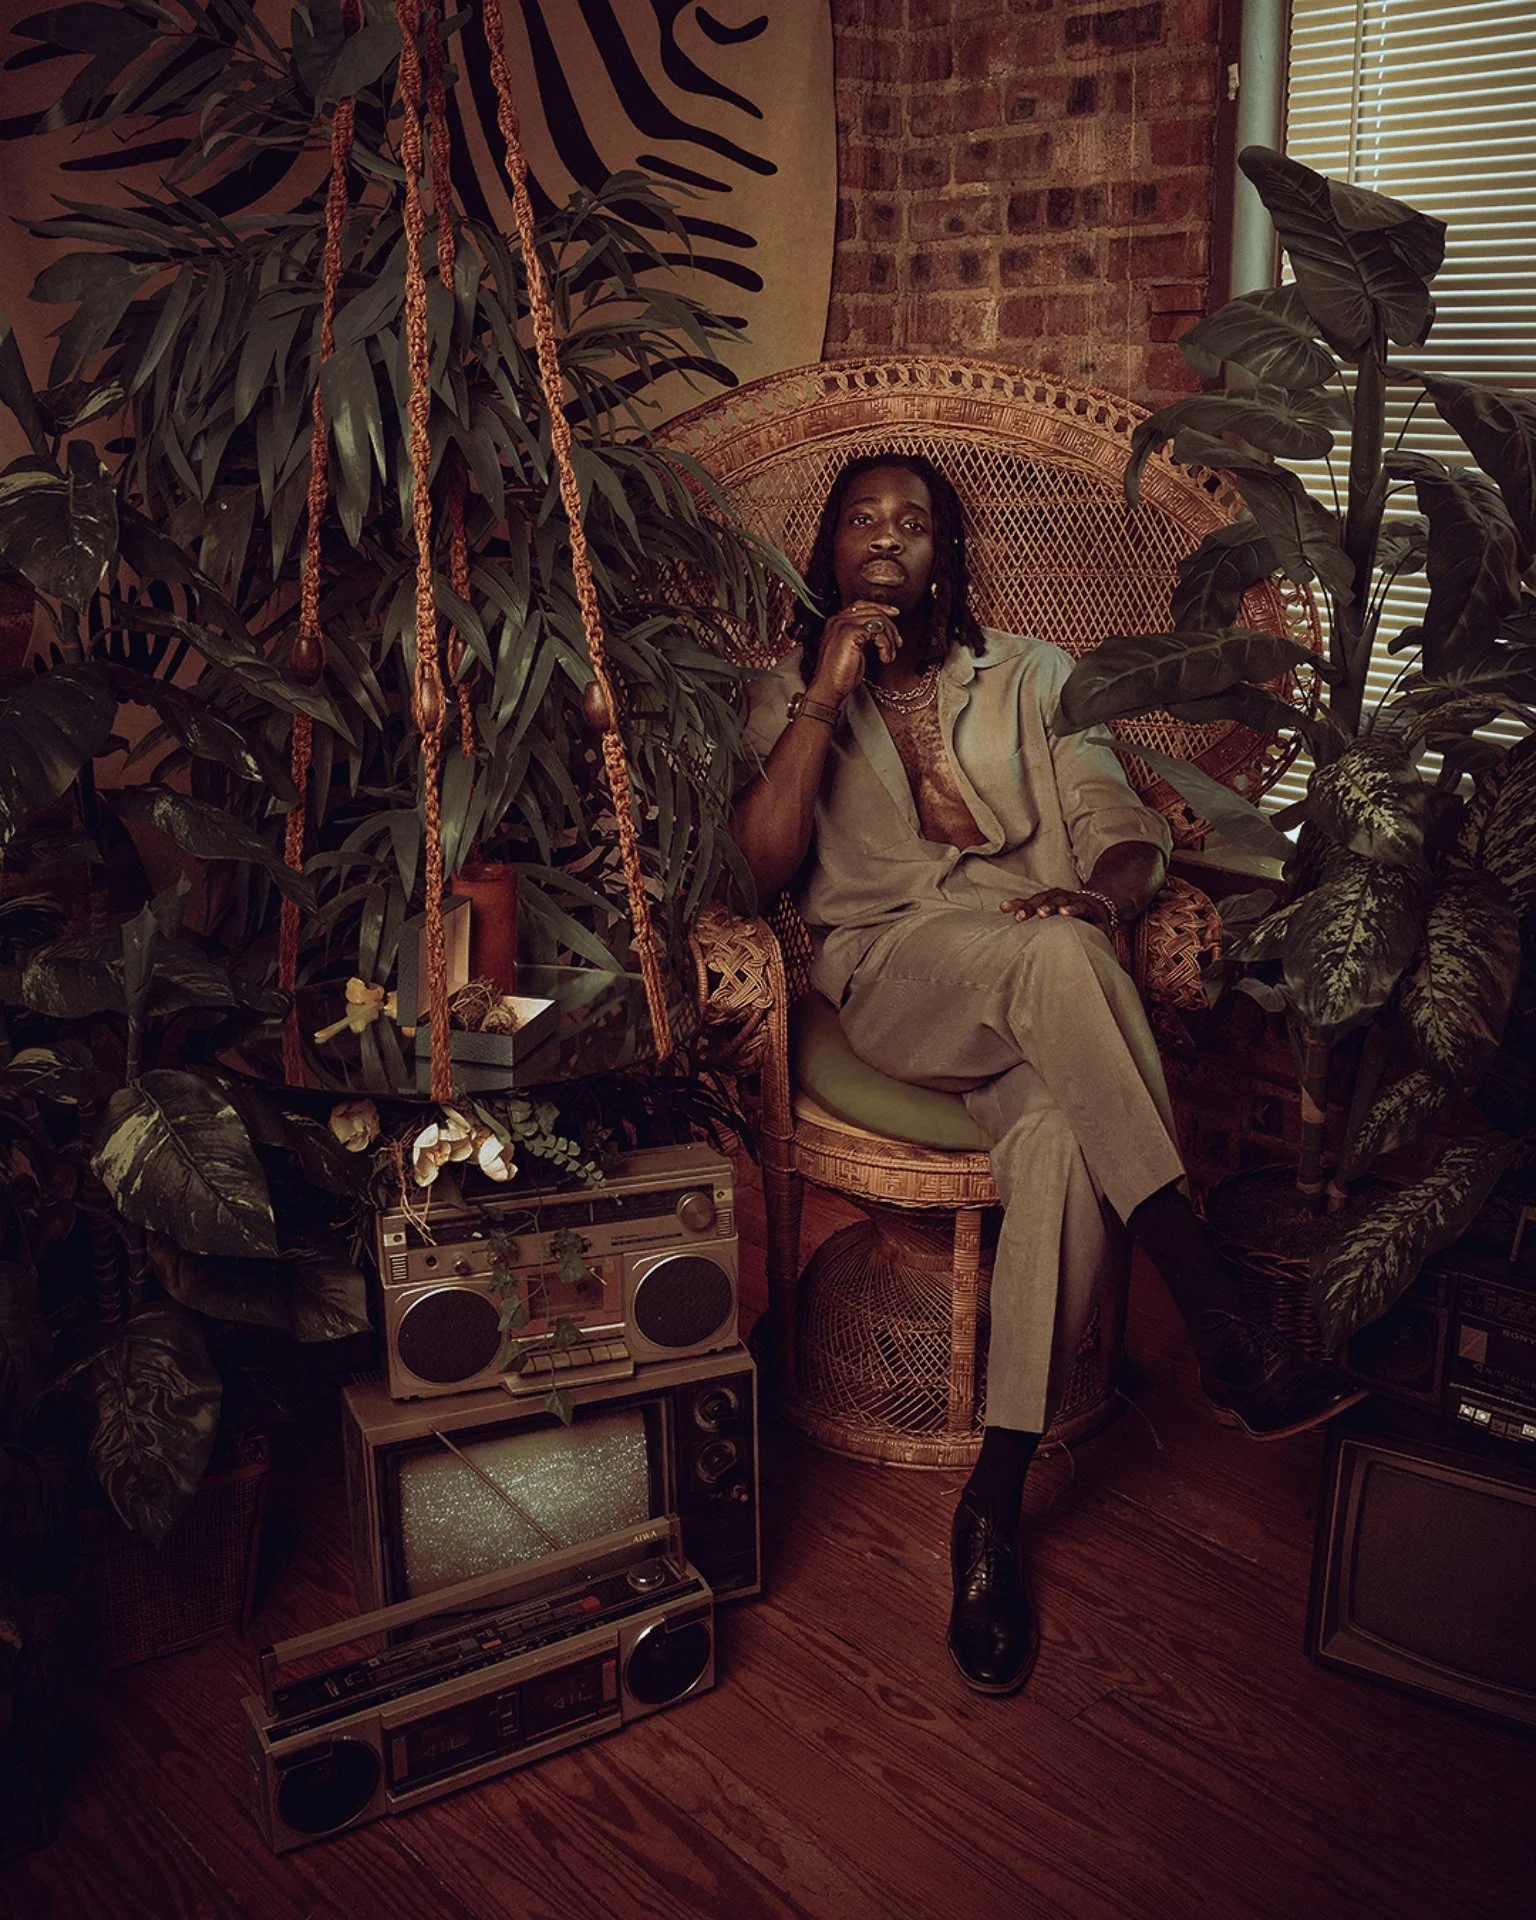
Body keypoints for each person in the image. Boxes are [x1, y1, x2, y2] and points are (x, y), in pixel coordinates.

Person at [731, 451, 1365, 1697]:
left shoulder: (1033, 674)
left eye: (914, 522)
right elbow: (755, 874)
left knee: (1062, 1134)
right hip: (894, 974)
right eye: (862, 519)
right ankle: (1216, 1307)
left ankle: (991, 1505)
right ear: (830, 549)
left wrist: (1106, 895)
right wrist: (822, 696)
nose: (886, 537)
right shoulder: (784, 692)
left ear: (946, 555)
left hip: (1046, 961)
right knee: (1060, 961)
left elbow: (1117, 829)